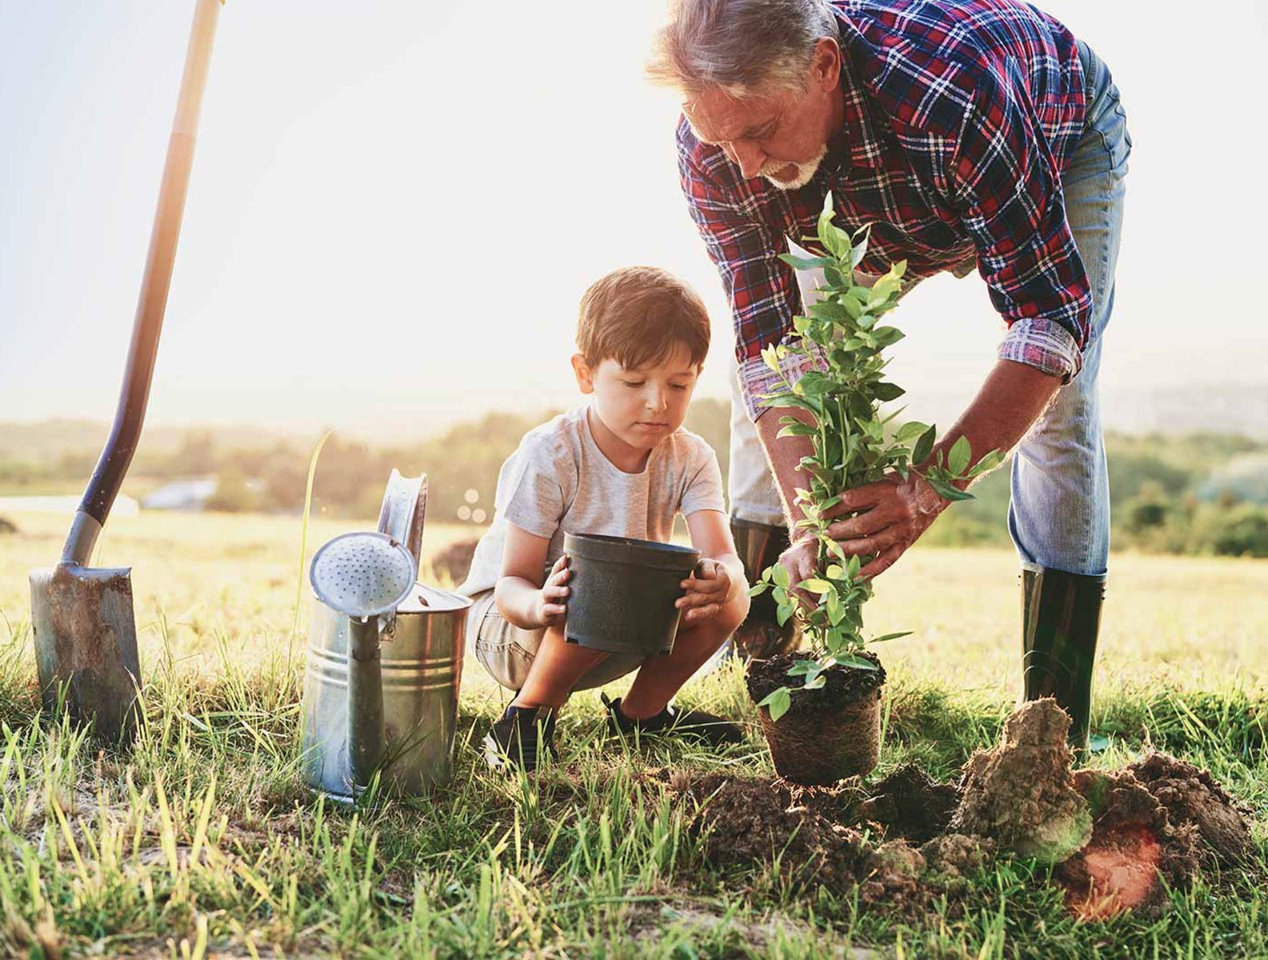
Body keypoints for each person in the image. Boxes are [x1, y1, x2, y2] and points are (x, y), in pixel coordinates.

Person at [648, 0, 1131, 751]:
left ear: (824, 68)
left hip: (1048, 141)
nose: (741, 163)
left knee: (1062, 411)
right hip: (881, 194)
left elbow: (1049, 321)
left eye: (760, 131)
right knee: (785, 380)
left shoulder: (955, 95)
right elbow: (768, 344)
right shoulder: (717, 145)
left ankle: (1052, 727)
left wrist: (923, 489)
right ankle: (766, 666)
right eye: (720, 138)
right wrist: (815, 519)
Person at [459, 266, 751, 771]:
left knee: (734, 592)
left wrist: (724, 579)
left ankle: (642, 716)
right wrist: (540, 604)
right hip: (516, 630)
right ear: (585, 374)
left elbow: (724, 554)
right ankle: (525, 720)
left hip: (618, 624)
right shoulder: (551, 453)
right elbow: (509, 584)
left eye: (678, 385)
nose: (658, 403)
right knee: (606, 577)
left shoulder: (692, 456)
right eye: (635, 382)